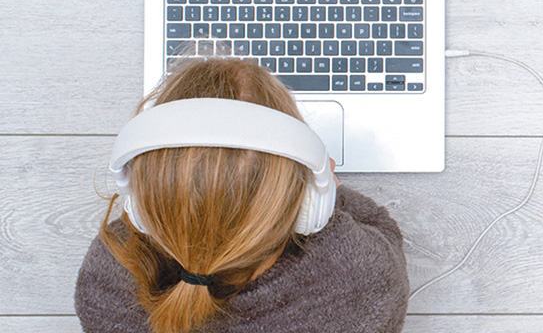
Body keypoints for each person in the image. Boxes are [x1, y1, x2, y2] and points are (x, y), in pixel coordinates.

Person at [74, 59, 409, 333]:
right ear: (310, 206)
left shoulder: (108, 289)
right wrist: (328, 192)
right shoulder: (362, 283)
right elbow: (379, 231)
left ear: (141, 207)